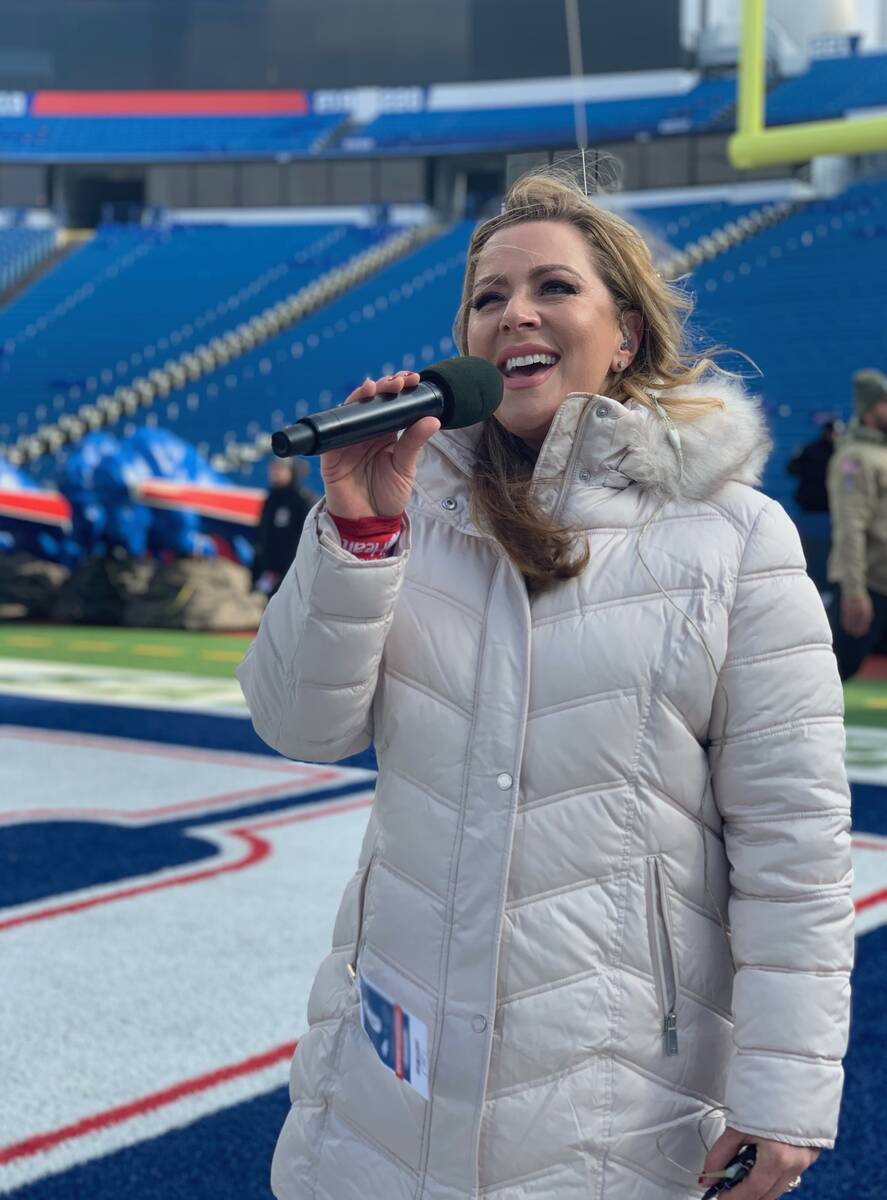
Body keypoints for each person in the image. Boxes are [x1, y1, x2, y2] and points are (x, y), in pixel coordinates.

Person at [237, 172, 853, 1200]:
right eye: (486, 296)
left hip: (617, 1096)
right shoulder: (405, 519)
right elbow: (300, 724)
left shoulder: (731, 538)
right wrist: (355, 529)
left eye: (552, 287)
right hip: (392, 1084)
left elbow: (792, 839)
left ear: (623, 335)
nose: (513, 312)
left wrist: (785, 1092)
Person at [826, 367, 887, 680]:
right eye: (884, 402)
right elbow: (851, 526)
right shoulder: (855, 458)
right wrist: (854, 591)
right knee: (834, 672)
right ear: (868, 409)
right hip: (869, 587)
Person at [787, 419, 840, 593]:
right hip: (821, 510)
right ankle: (822, 586)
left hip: (815, 510)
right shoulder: (838, 452)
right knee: (821, 551)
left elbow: (792, 468)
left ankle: (817, 585)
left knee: (813, 551)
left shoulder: (809, 449)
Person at [251, 457, 316, 597]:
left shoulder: (303, 500)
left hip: (294, 576)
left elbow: (307, 541)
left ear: (291, 472)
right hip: (269, 576)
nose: (274, 472)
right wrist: (257, 573)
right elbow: (262, 537)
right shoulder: (270, 500)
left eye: (280, 468)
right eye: (273, 468)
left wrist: (290, 573)